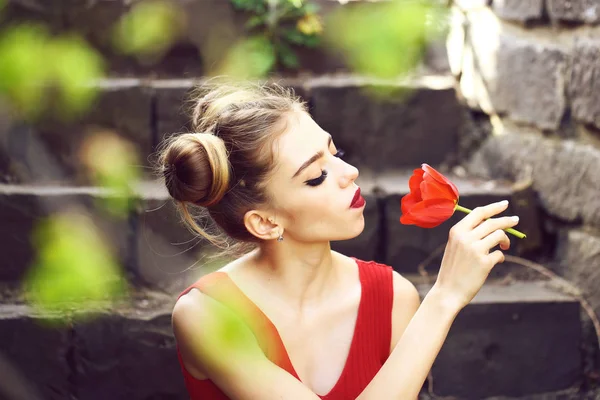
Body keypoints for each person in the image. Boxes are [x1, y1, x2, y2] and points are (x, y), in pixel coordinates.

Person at [157, 80, 520, 400]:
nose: (349, 173)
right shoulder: (207, 316)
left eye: (336, 153)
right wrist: (445, 297)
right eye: (317, 176)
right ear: (265, 222)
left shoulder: (393, 297)